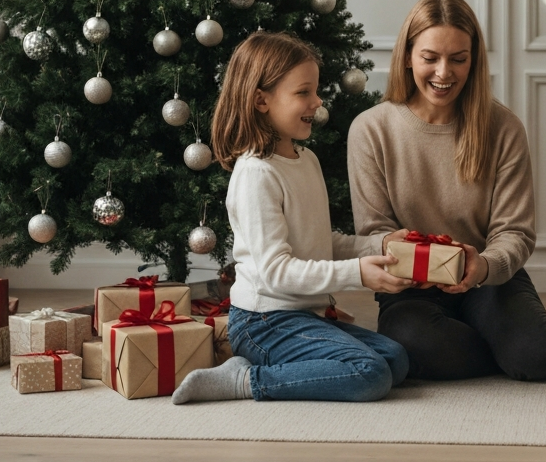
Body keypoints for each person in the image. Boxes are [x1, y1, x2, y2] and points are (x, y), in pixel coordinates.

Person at [347, 0, 546, 381]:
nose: (444, 73)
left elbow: (515, 232)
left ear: (473, 60)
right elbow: (374, 232)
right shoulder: (371, 129)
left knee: (534, 358)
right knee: (417, 347)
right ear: (407, 56)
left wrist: (483, 267)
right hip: (410, 287)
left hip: (487, 277)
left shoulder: (502, 127)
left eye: (458, 58)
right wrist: (404, 257)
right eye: (430, 58)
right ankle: (519, 342)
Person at [172, 31, 412, 405]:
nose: (317, 102)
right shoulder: (257, 174)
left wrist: (379, 244)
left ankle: (282, 367)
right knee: (370, 375)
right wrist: (357, 273)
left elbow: (318, 241)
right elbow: (276, 272)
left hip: (304, 315)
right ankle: (245, 379)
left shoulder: (307, 160)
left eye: (315, 91)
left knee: (396, 359)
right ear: (261, 100)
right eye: (304, 92)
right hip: (263, 323)